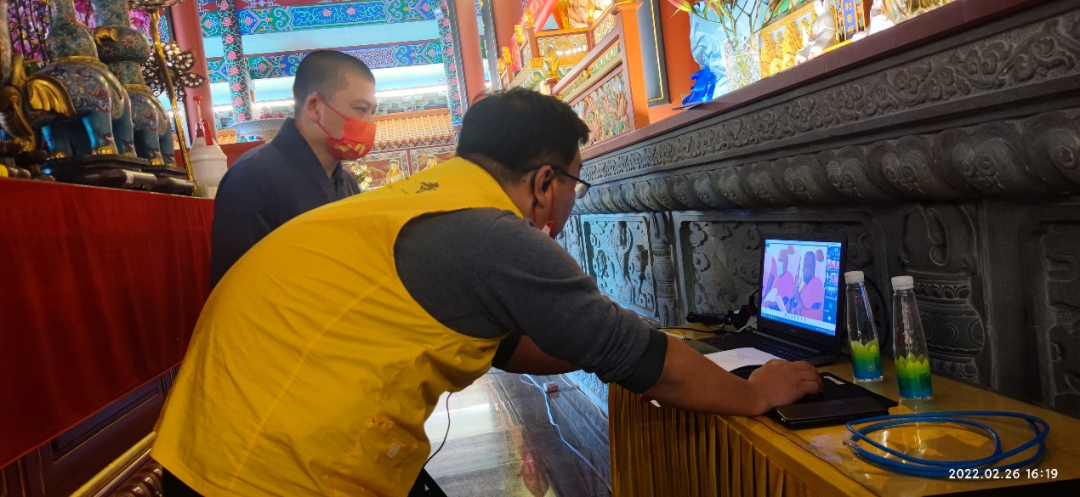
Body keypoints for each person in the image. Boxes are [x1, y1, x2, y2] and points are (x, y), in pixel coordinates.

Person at [152, 88, 822, 496]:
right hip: (272, 472)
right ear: (545, 181)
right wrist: (753, 391)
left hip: (205, 447)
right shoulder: (490, 232)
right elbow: (634, 356)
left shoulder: (425, 199)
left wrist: (602, 337)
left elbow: (517, 345)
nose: (568, 201)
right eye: (575, 183)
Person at [208, 50, 378, 288]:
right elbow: (236, 287)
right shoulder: (252, 177)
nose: (369, 123)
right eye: (360, 109)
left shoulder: (347, 183)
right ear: (315, 106)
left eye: (373, 112)